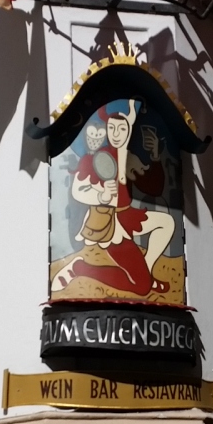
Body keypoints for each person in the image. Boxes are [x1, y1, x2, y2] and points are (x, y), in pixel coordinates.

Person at [51, 99, 176, 297]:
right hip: (111, 224)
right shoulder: (95, 159)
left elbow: (154, 188)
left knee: (166, 223)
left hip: (128, 214)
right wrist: (101, 195)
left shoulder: (126, 157)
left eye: (122, 129)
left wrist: (154, 156)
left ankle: (147, 271)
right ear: (107, 130)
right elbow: (78, 190)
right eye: (112, 128)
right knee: (141, 288)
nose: (117, 134)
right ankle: (80, 268)